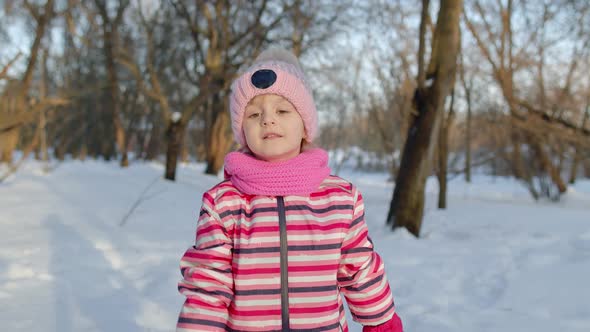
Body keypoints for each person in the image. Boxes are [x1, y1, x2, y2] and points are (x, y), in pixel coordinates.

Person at [176, 48, 403, 332]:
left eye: (283, 110)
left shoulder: (340, 199)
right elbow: (208, 285)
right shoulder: (224, 203)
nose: (268, 119)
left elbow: (359, 269)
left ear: (306, 125)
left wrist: (382, 320)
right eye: (254, 113)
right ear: (241, 130)